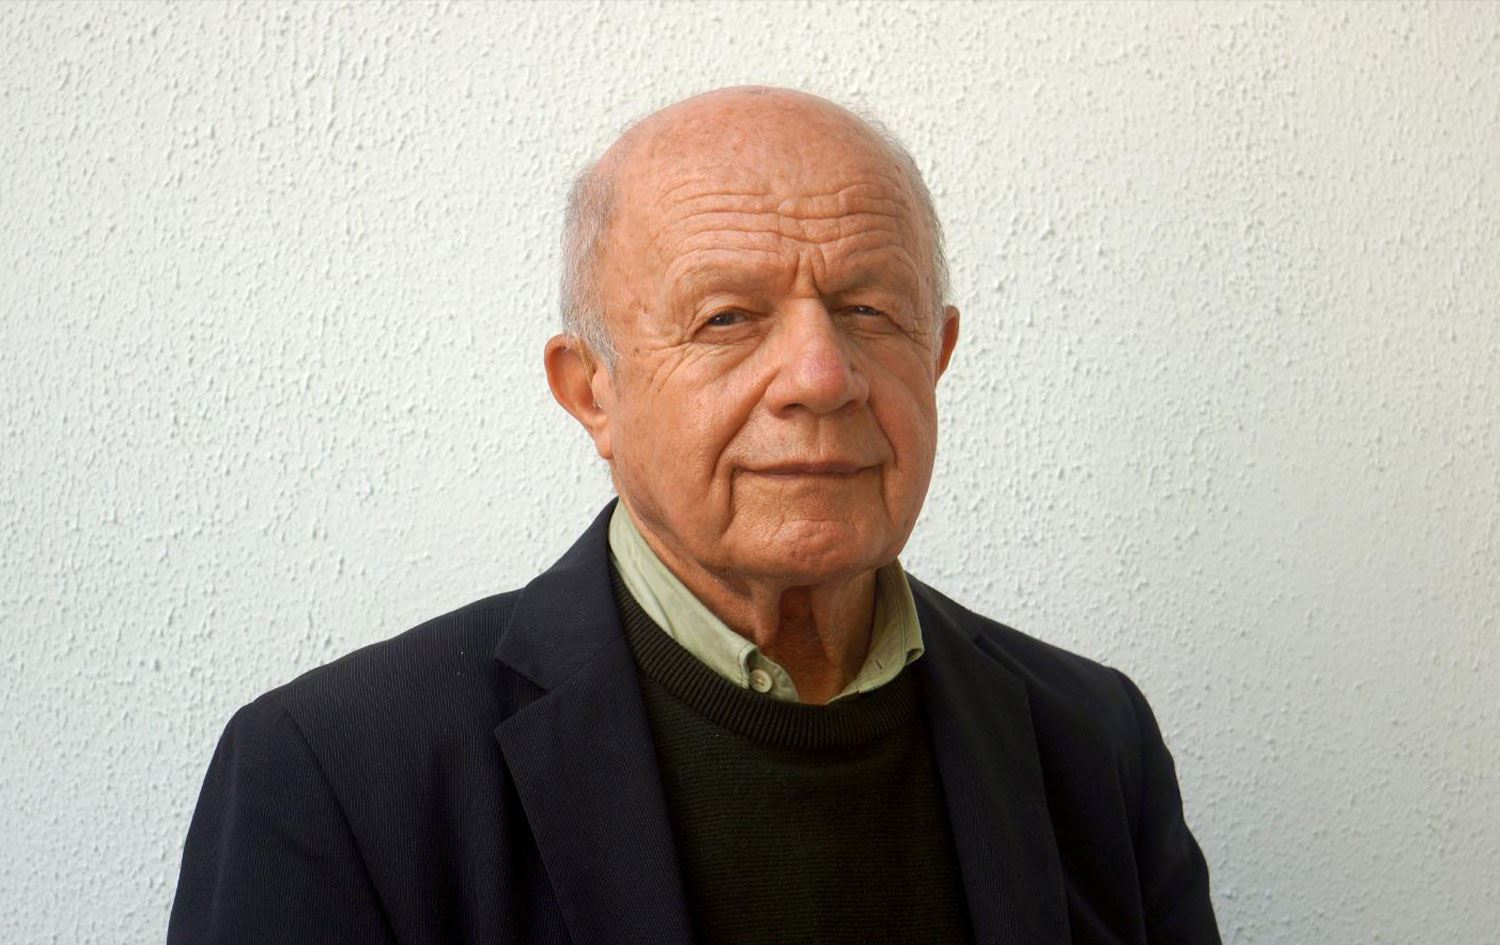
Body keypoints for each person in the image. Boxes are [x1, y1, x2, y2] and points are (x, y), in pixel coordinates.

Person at [167, 87, 1221, 945]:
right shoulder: (338, 775)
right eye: (727, 318)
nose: (821, 376)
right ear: (591, 391)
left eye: (867, 309)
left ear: (937, 354)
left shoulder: (1093, 740)